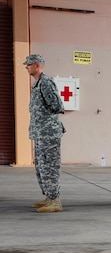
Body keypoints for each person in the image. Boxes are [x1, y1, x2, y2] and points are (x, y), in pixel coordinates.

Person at [25, 54, 65, 213]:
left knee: (50, 166)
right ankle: (49, 197)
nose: (26, 67)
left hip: (48, 134)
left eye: (28, 65)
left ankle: (55, 200)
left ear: (37, 66)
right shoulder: (38, 84)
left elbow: (57, 105)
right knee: (42, 167)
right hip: (41, 133)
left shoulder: (46, 83)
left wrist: (46, 121)